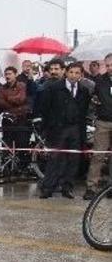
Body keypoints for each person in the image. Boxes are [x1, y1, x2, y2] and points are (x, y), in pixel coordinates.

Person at [37, 63, 90, 199]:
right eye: (71, 72)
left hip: (76, 129)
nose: (74, 75)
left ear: (81, 75)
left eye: (77, 73)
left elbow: (84, 112)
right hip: (58, 129)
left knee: (73, 159)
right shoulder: (54, 88)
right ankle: (48, 187)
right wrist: (48, 128)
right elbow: (45, 108)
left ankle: (67, 187)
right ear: (66, 72)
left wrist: (81, 133)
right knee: (55, 158)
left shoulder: (84, 90)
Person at [85, 53, 112, 200]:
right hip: (103, 122)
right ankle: (91, 187)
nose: (109, 68)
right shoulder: (100, 81)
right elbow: (93, 99)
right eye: (107, 65)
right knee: (98, 156)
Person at [0, 67, 30, 165]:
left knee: (22, 143)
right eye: (6, 74)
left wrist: (7, 98)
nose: (7, 76)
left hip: (20, 118)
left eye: (10, 74)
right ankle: (7, 166)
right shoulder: (2, 88)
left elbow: (21, 99)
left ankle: (22, 166)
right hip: (8, 119)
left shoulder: (21, 85)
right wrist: (13, 104)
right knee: (7, 143)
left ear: (15, 74)